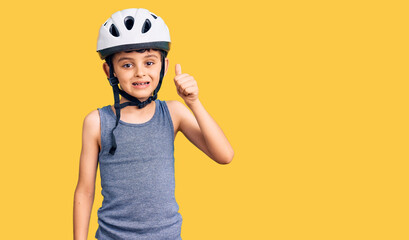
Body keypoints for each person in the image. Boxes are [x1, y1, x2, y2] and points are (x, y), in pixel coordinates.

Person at [73, 8, 234, 240]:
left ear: (164, 67)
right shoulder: (97, 122)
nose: (140, 73)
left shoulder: (173, 113)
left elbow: (224, 155)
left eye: (149, 62)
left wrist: (194, 103)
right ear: (110, 70)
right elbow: (85, 190)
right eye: (127, 65)